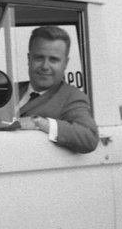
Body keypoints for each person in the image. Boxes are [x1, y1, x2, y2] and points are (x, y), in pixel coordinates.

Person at [15, 26, 99, 154]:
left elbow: (89, 137)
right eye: (39, 58)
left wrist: (38, 123)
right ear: (29, 59)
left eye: (53, 60)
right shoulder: (8, 90)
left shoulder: (71, 97)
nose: (45, 66)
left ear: (65, 63)